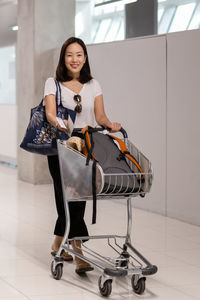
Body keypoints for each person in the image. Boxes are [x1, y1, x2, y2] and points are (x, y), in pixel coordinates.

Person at [44, 37, 121, 274]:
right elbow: (49, 113)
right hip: (61, 143)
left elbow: (99, 116)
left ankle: (60, 242)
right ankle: (78, 251)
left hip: (86, 144)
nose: (74, 59)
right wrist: (62, 124)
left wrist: (110, 124)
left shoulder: (93, 84)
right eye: (69, 54)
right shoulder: (53, 82)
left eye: (79, 54)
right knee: (65, 195)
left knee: (79, 195)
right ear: (63, 58)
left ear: (85, 58)